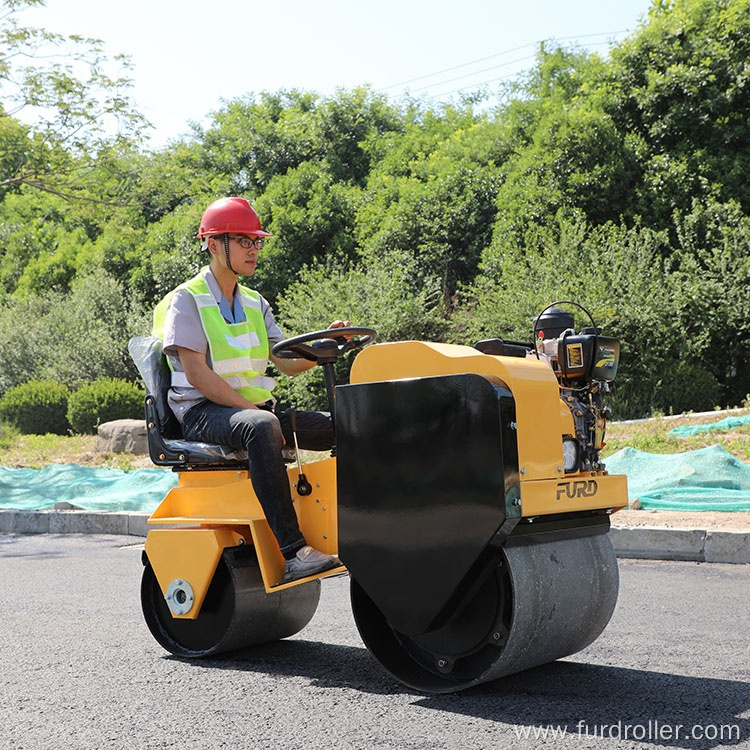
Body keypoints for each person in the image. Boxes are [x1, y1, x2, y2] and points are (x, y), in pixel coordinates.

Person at [153, 196, 346, 583]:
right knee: (261, 427)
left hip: (250, 414)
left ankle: (362, 525)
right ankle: (293, 553)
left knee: (346, 422)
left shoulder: (256, 303)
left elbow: (287, 362)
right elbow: (197, 374)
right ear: (213, 244)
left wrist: (326, 346)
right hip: (200, 413)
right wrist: (256, 414)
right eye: (243, 240)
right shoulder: (187, 300)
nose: (253, 249)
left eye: (256, 241)